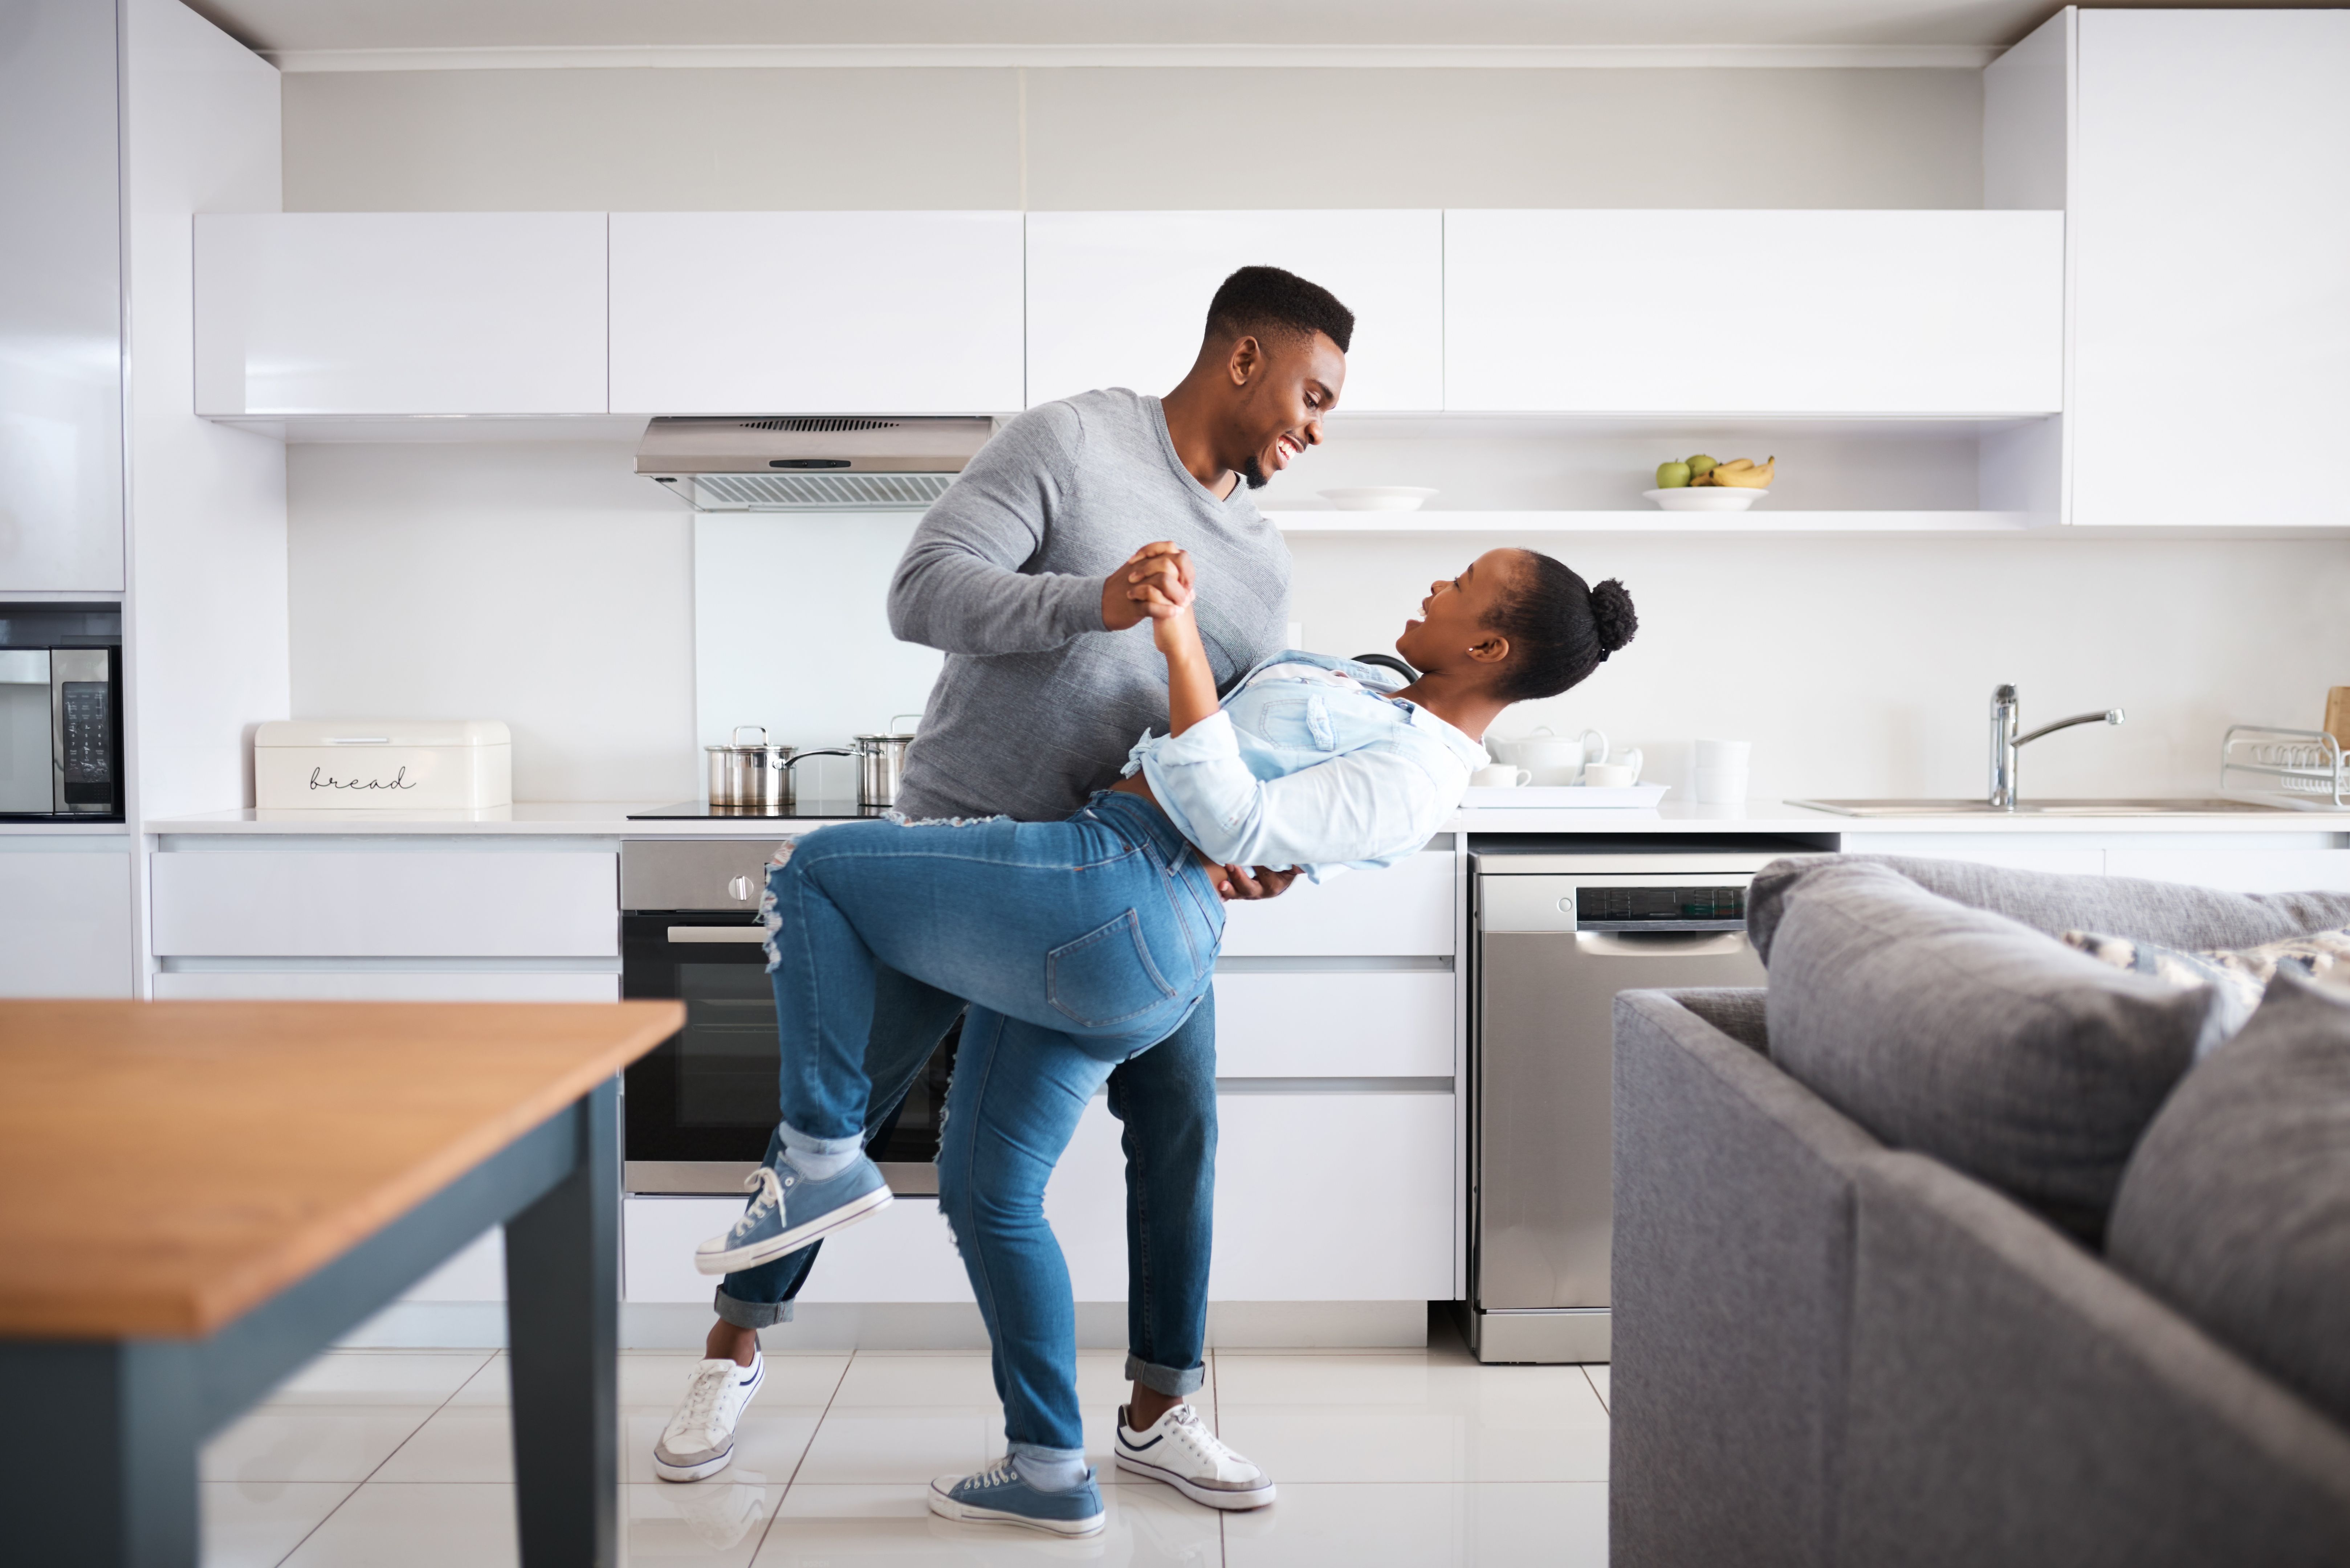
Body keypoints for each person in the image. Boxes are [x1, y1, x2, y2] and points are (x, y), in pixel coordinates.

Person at [702, 542, 1637, 1537]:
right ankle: (1047, 1470)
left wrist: (1179, 639)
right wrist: (1264, 837)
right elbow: (1256, 801)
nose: (1435, 586)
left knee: (810, 869)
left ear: (1489, 647)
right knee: (989, 1192)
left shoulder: (1419, 778)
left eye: (1461, 587)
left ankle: (820, 1156)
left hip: (1115, 880)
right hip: (1130, 925)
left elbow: (1233, 817)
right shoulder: (1372, 685)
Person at [651, 266, 1353, 1508]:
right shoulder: (1072, 441)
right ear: (1243, 358)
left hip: (1126, 889)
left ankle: (1161, 1409)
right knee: (844, 1110)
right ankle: (732, 1349)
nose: (1316, 428)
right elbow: (921, 589)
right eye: (1313, 394)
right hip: (965, 851)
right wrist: (1093, 601)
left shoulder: (1264, 567)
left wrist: (1266, 851)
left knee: (1179, 1125)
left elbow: (1231, 748)